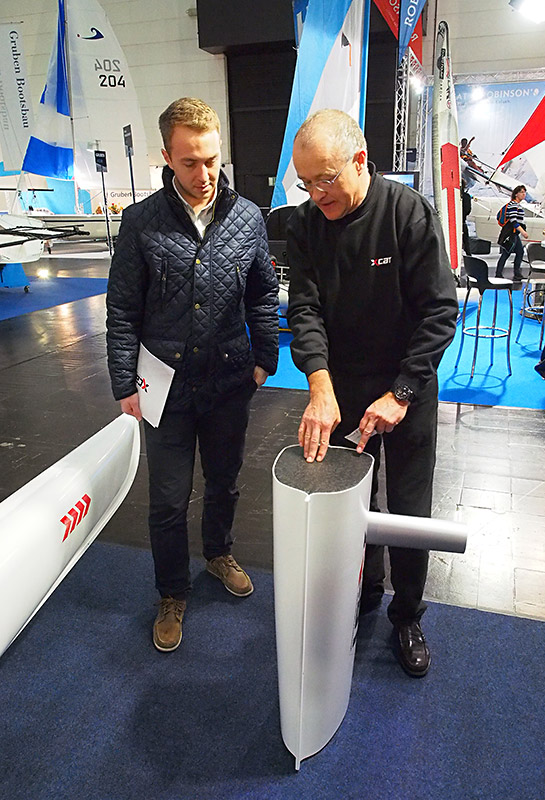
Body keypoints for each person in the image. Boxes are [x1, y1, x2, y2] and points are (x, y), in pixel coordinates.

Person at [286, 109, 458, 678]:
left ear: (360, 162)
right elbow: (304, 309)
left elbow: (438, 312)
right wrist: (318, 384)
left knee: (408, 509)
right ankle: (362, 592)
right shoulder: (306, 224)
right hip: (340, 387)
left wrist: (402, 393)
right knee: (344, 504)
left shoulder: (408, 214)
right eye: (305, 181)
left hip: (405, 387)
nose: (316, 193)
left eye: (326, 179)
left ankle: (407, 614)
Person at [106, 97, 279, 652]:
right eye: (189, 163)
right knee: (168, 500)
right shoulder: (140, 223)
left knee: (225, 481)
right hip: (165, 387)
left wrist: (263, 361)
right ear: (166, 157)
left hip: (230, 382)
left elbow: (263, 295)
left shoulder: (248, 217)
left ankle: (219, 552)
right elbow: (123, 308)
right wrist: (123, 382)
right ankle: (171, 593)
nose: (203, 175)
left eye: (210, 160)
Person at [495, 184, 529, 281]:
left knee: (519, 252)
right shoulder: (513, 205)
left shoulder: (516, 205)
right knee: (506, 253)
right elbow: (513, 220)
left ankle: (516, 273)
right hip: (511, 234)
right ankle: (499, 274)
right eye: (521, 192)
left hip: (514, 234)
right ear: (516, 194)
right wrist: (523, 232)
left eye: (524, 192)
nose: (524, 194)